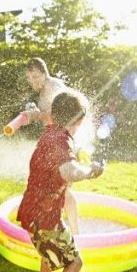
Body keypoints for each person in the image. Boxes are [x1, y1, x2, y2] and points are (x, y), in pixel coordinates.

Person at [17, 91, 104, 272]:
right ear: (78, 121)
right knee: (74, 263)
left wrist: (35, 115)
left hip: (33, 211)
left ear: (54, 115)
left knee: (52, 244)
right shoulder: (61, 140)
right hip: (43, 217)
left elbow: (47, 120)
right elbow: (69, 171)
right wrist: (91, 171)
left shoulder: (50, 131)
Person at [23, 57, 87, 233]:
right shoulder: (46, 90)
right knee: (57, 188)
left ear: (45, 74)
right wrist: (37, 114)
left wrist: (37, 116)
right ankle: (64, 229)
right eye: (29, 78)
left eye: (36, 76)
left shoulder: (54, 89)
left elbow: (64, 116)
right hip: (58, 143)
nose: (32, 81)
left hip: (66, 143)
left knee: (64, 189)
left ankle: (75, 234)